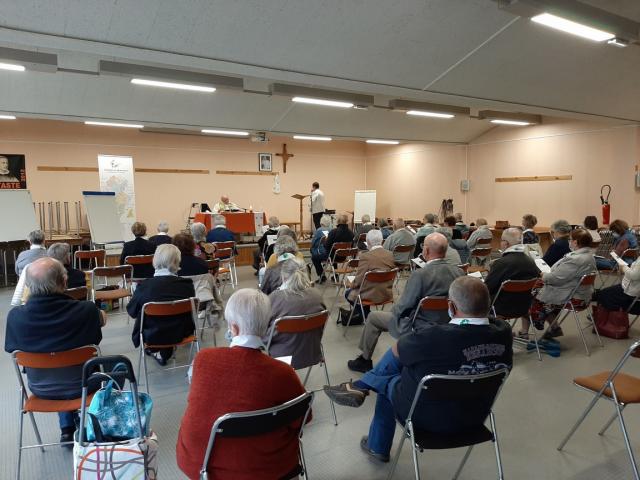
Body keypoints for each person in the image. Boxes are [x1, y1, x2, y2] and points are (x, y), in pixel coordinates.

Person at [324, 276, 513, 462]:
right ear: (488, 305)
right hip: (474, 416)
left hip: (426, 419)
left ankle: (375, 440)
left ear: (452, 307)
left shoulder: (433, 337)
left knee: (387, 381)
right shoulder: (504, 334)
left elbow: (398, 350)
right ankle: (361, 386)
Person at [176, 289, 308, 479]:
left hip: (202, 464)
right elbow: (304, 418)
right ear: (267, 326)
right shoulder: (283, 372)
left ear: (234, 329)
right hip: (268, 469)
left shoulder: (203, 359)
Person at [5, 257, 105, 444]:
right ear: (64, 281)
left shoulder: (16, 317)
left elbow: (11, 349)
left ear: (28, 286)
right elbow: (98, 333)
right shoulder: (86, 310)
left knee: (56, 366)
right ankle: (98, 425)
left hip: (41, 388)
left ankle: (67, 427)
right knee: (114, 367)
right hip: (84, 385)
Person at [347, 233, 463, 373]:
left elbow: (404, 306)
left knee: (373, 317)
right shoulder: (459, 272)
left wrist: (393, 314)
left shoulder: (419, 275)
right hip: (448, 325)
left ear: (426, 250)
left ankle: (364, 360)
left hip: (419, 326)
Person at [127, 244, 196, 366]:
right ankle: (165, 349)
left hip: (152, 335)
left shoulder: (144, 286)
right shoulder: (187, 285)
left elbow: (132, 312)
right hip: (181, 332)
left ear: (155, 260)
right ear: (177, 261)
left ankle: (159, 350)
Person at [530, 228, 596, 338]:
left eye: (570, 239)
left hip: (574, 298)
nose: (569, 242)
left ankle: (540, 322)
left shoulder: (575, 259)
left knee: (532, 292)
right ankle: (553, 326)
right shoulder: (590, 256)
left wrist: (543, 274)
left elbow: (554, 279)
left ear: (575, 242)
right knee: (540, 289)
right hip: (584, 295)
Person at [265, 259, 326, 369]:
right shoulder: (317, 295)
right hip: (312, 353)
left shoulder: (274, 298)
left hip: (281, 357)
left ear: (283, 277)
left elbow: (263, 332)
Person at [484, 228, 540, 337]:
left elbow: (487, 288)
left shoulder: (501, 263)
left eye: (501, 240)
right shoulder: (531, 261)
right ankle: (523, 332)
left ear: (506, 243)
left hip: (501, 308)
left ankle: (494, 333)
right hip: (525, 306)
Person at [340, 229, 396, 324]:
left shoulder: (365, 257)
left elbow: (358, 281)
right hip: (386, 293)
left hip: (370, 295)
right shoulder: (390, 255)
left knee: (347, 293)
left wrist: (351, 284)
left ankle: (368, 315)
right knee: (366, 286)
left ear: (368, 242)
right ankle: (364, 315)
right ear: (382, 241)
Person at [311, 215, 331, 282]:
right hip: (331, 253)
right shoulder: (332, 230)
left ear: (321, 222)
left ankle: (322, 276)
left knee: (314, 258)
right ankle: (335, 275)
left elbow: (313, 243)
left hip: (323, 253)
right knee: (332, 251)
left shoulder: (319, 231)